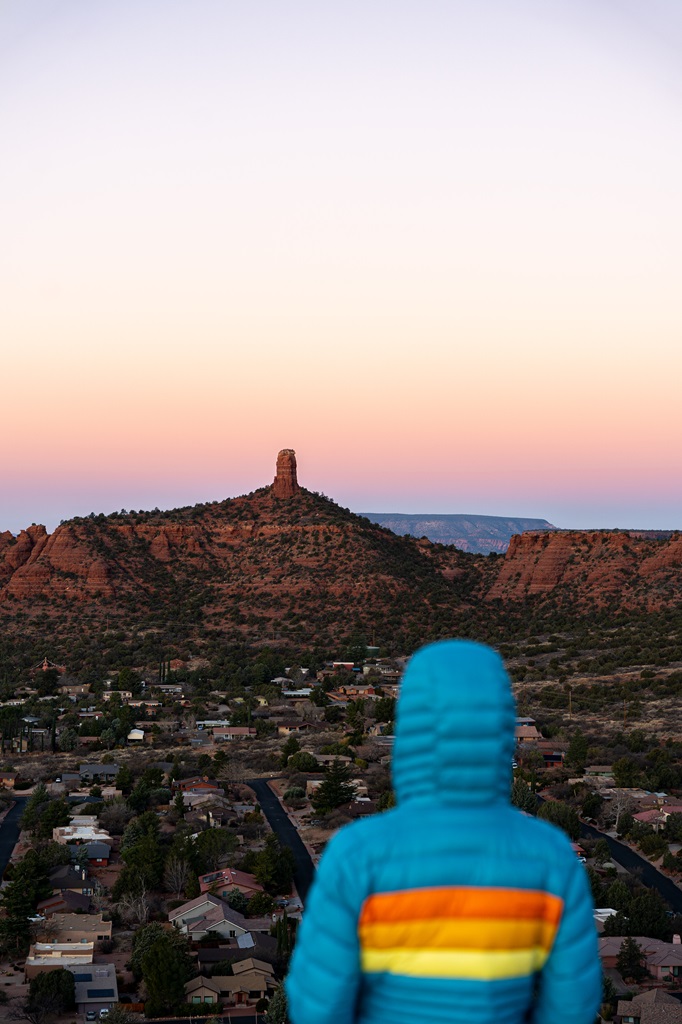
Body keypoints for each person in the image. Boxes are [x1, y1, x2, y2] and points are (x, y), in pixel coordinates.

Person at [286, 639, 601, 1024]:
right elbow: (573, 1002)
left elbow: (318, 1000)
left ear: (413, 729)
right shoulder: (550, 857)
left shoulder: (359, 853)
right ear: (501, 727)